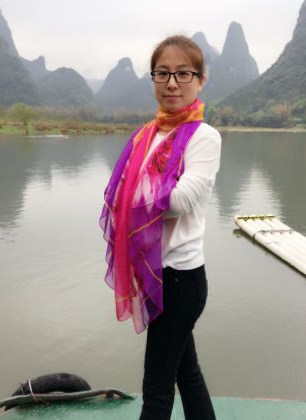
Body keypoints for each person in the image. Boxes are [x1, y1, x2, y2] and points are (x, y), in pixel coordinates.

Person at [100, 35, 221, 420]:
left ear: (200, 80)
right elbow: (131, 193)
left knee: (156, 388)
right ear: (153, 78)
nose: (172, 83)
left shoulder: (204, 138)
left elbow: (181, 201)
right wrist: (143, 193)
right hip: (155, 271)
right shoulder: (147, 135)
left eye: (183, 74)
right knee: (187, 373)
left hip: (180, 279)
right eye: (162, 73)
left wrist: (135, 194)